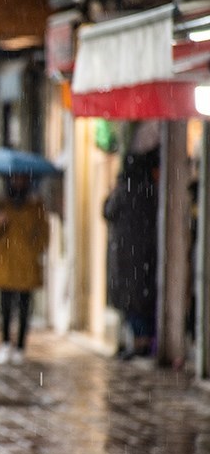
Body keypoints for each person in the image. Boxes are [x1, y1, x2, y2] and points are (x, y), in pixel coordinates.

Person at [0, 174, 49, 365]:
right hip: (6, 261)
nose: (19, 183)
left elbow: (43, 231)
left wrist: (36, 250)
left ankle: (20, 346)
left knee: (25, 307)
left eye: (22, 180)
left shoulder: (35, 203)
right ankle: (4, 343)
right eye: (15, 180)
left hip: (27, 263)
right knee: (5, 307)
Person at [103, 150, 159, 360]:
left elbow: (107, 211)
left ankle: (137, 343)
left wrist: (113, 191)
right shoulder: (150, 190)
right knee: (142, 299)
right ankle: (142, 342)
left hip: (126, 257)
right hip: (145, 256)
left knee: (130, 301)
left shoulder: (124, 190)